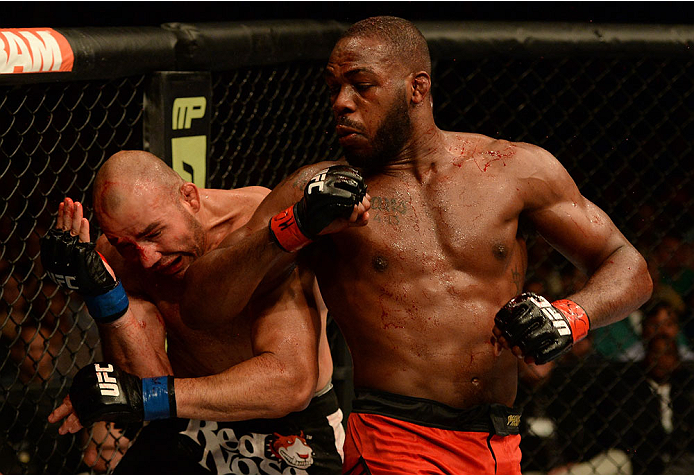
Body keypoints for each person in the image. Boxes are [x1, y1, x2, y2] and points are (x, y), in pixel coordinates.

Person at [179, 16, 653, 474]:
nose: (341, 102)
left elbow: (627, 265)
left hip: (498, 442)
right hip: (392, 438)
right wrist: (294, 225)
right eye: (333, 88)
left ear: (417, 88)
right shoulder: (314, 189)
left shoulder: (514, 170)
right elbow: (201, 303)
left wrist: (568, 317)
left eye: (360, 85)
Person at [42, 150, 345, 474]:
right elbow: (148, 384)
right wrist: (103, 295)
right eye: (126, 245)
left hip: (293, 430)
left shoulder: (259, 227)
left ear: (189, 197)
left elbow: (290, 384)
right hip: (191, 417)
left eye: (153, 234)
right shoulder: (120, 258)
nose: (147, 258)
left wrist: (148, 397)